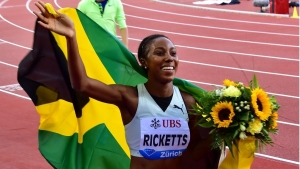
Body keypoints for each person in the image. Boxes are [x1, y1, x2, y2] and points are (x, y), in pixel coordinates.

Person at [33, 1, 220, 168]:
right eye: (160, 53)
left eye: (173, 53)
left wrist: (225, 131)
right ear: (144, 61)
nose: (169, 58)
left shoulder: (189, 103)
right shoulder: (131, 98)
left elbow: (195, 153)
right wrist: (71, 38)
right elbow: (82, 84)